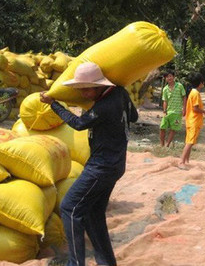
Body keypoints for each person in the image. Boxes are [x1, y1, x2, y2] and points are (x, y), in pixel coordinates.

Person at [40, 62, 138, 266]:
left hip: (101, 167)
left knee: (70, 207)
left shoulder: (104, 106)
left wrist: (54, 104)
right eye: (80, 90)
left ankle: (75, 263)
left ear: (99, 85)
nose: (83, 94)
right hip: (116, 164)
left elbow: (78, 124)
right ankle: (107, 262)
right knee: (93, 212)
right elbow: (134, 116)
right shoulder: (120, 93)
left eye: (86, 89)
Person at [178, 72, 205, 169]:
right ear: (201, 83)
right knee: (190, 142)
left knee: (189, 141)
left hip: (190, 120)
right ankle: (181, 162)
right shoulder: (196, 93)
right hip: (194, 121)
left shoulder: (192, 92)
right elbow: (195, 108)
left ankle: (186, 161)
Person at [159, 69, 186, 147]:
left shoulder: (180, 86)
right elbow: (165, 101)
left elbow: (184, 97)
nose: (169, 78)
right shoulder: (165, 89)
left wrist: (184, 108)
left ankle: (167, 145)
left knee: (173, 129)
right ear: (165, 78)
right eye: (167, 77)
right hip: (168, 111)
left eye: (170, 76)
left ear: (174, 77)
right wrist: (164, 111)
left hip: (177, 112)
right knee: (162, 127)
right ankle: (161, 145)